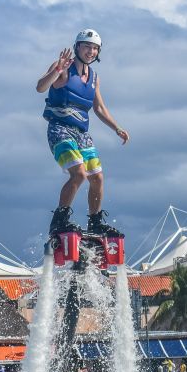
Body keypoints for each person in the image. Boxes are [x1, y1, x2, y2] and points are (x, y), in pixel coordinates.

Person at [37, 29, 130, 236]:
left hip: (81, 133)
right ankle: (59, 219)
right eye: (87, 46)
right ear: (77, 47)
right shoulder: (63, 68)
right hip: (59, 129)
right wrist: (56, 70)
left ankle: (95, 221)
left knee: (97, 177)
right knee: (78, 174)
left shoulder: (94, 77)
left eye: (95, 48)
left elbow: (99, 108)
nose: (91, 51)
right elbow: (40, 87)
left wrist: (117, 128)